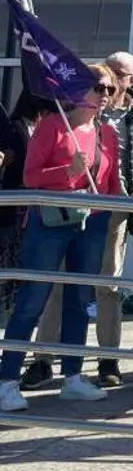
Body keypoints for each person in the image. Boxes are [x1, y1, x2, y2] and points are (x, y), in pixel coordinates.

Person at [28, 52, 133, 389]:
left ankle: (107, 358)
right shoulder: (75, 115)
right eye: (106, 76)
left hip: (112, 211)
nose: (111, 84)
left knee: (105, 287)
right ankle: (43, 359)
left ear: (132, 80)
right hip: (68, 211)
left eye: (120, 76)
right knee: (60, 286)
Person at [0, 66, 122, 411]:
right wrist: (67, 172)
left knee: (81, 301)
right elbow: (29, 176)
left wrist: (112, 206)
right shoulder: (52, 125)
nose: (105, 95)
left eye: (110, 89)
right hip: (50, 222)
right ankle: (7, 380)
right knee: (33, 298)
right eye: (99, 88)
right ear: (79, 89)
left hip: (91, 223)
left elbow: (112, 185)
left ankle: (73, 376)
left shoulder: (107, 134)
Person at [0, 93, 53, 322]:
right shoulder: (17, 126)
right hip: (13, 209)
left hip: (31, 211)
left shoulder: (42, 125)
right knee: (9, 265)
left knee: (23, 268)